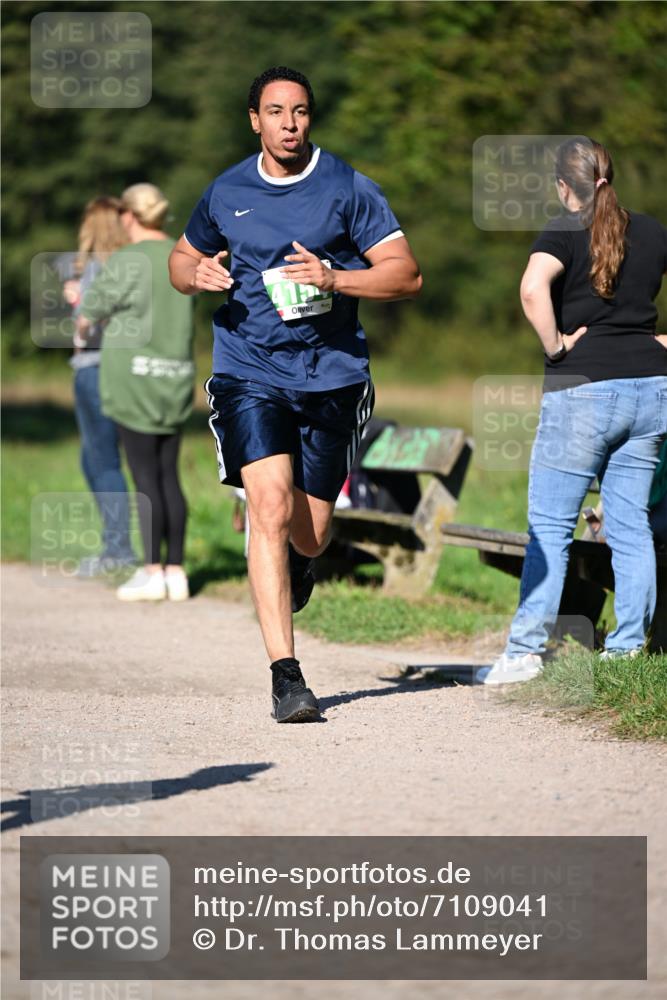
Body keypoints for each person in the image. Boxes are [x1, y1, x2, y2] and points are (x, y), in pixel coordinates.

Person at [169, 66, 422, 722]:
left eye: (300, 112)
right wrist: (193, 273)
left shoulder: (346, 188)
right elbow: (179, 258)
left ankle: (301, 566)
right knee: (269, 508)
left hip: (331, 375)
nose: (288, 123)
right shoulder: (226, 191)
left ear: (310, 118)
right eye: (276, 112)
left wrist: (335, 279)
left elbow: (405, 275)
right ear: (254, 118)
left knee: (309, 534)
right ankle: (286, 675)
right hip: (248, 370)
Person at [479, 137, 667, 684]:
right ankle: (628, 650)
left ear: (565, 186)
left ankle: (523, 653)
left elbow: (532, 289)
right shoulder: (652, 230)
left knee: (550, 526)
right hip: (652, 391)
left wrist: (557, 345)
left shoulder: (564, 230)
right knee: (631, 527)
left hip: (583, 392)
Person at [78, 183, 195, 602]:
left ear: (129, 217)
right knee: (169, 477)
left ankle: (151, 572)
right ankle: (177, 572)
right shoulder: (184, 253)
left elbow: (88, 315)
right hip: (176, 377)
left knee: (144, 477)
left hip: (135, 382)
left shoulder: (127, 259)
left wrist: (83, 320)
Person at [65, 197, 136, 576]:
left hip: (94, 367)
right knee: (96, 458)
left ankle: (117, 550)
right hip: (125, 368)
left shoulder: (96, 268)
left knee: (103, 459)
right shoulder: (132, 266)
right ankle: (118, 545)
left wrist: (76, 305)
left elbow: (87, 326)